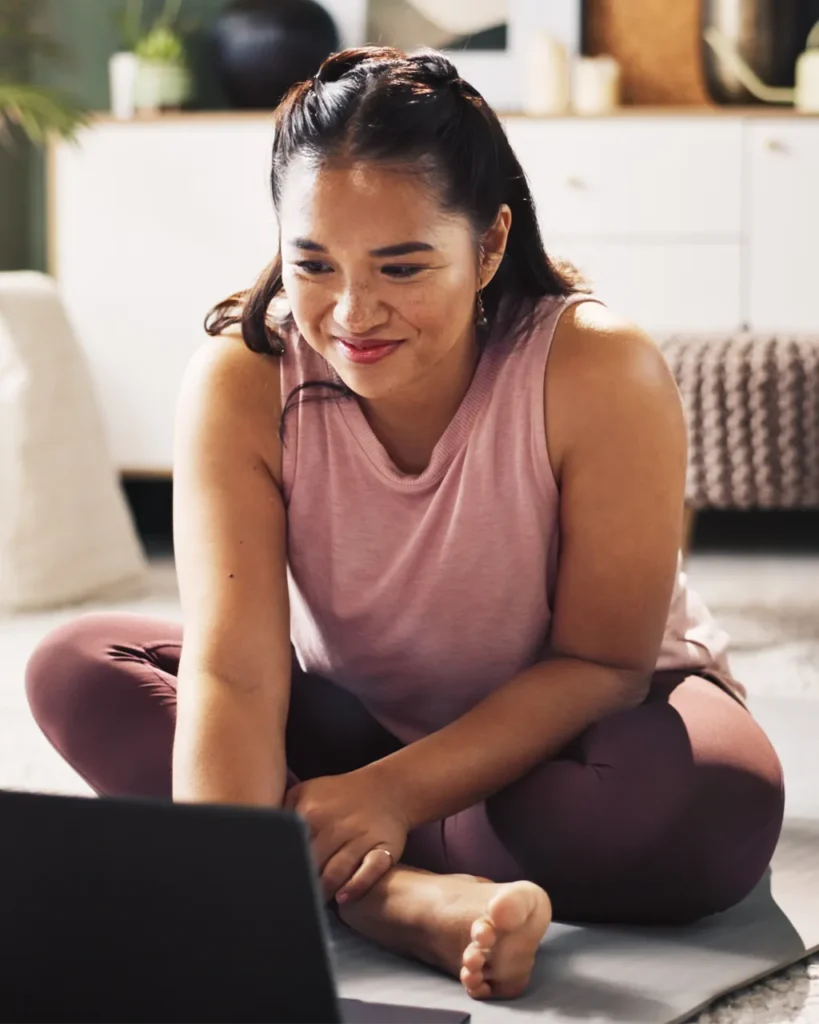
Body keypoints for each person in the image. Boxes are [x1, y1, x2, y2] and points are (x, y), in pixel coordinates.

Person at [25, 47, 784, 1003]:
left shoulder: (599, 368)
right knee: (77, 669)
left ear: (491, 243)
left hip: (579, 726)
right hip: (358, 723)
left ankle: (336, 849)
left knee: (708, 806)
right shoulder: (239, 382)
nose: (351, 312)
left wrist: (390, 795)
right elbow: (238, 670)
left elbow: (603, 664)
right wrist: (227, 900)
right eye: (312, 263)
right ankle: (391, 896)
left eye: (402, 265)